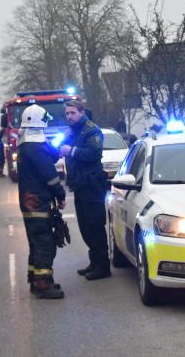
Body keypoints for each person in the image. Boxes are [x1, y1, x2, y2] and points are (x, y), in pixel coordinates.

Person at [18, 104, 67, 299]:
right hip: (37, 202)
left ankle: (35, 278)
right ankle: (43, 284)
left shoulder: (27, 145)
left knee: (36, 243)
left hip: (31, 201)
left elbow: (51, 155)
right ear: (41, 122)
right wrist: (61, 194)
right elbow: (50, 175)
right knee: (45, 243)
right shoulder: (35, 148)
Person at [59, 100, 111, 280]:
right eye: (67, 114)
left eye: (72, 113)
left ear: (81, 112)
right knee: (85, 227)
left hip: (92, 186)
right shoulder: (72, 131)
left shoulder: (92, 130)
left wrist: (72, 151)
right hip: (80, 186)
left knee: (95, 226)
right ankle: (94, 261)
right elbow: (61, 148)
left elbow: (94, 154)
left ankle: (103, 266)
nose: (69, 116)